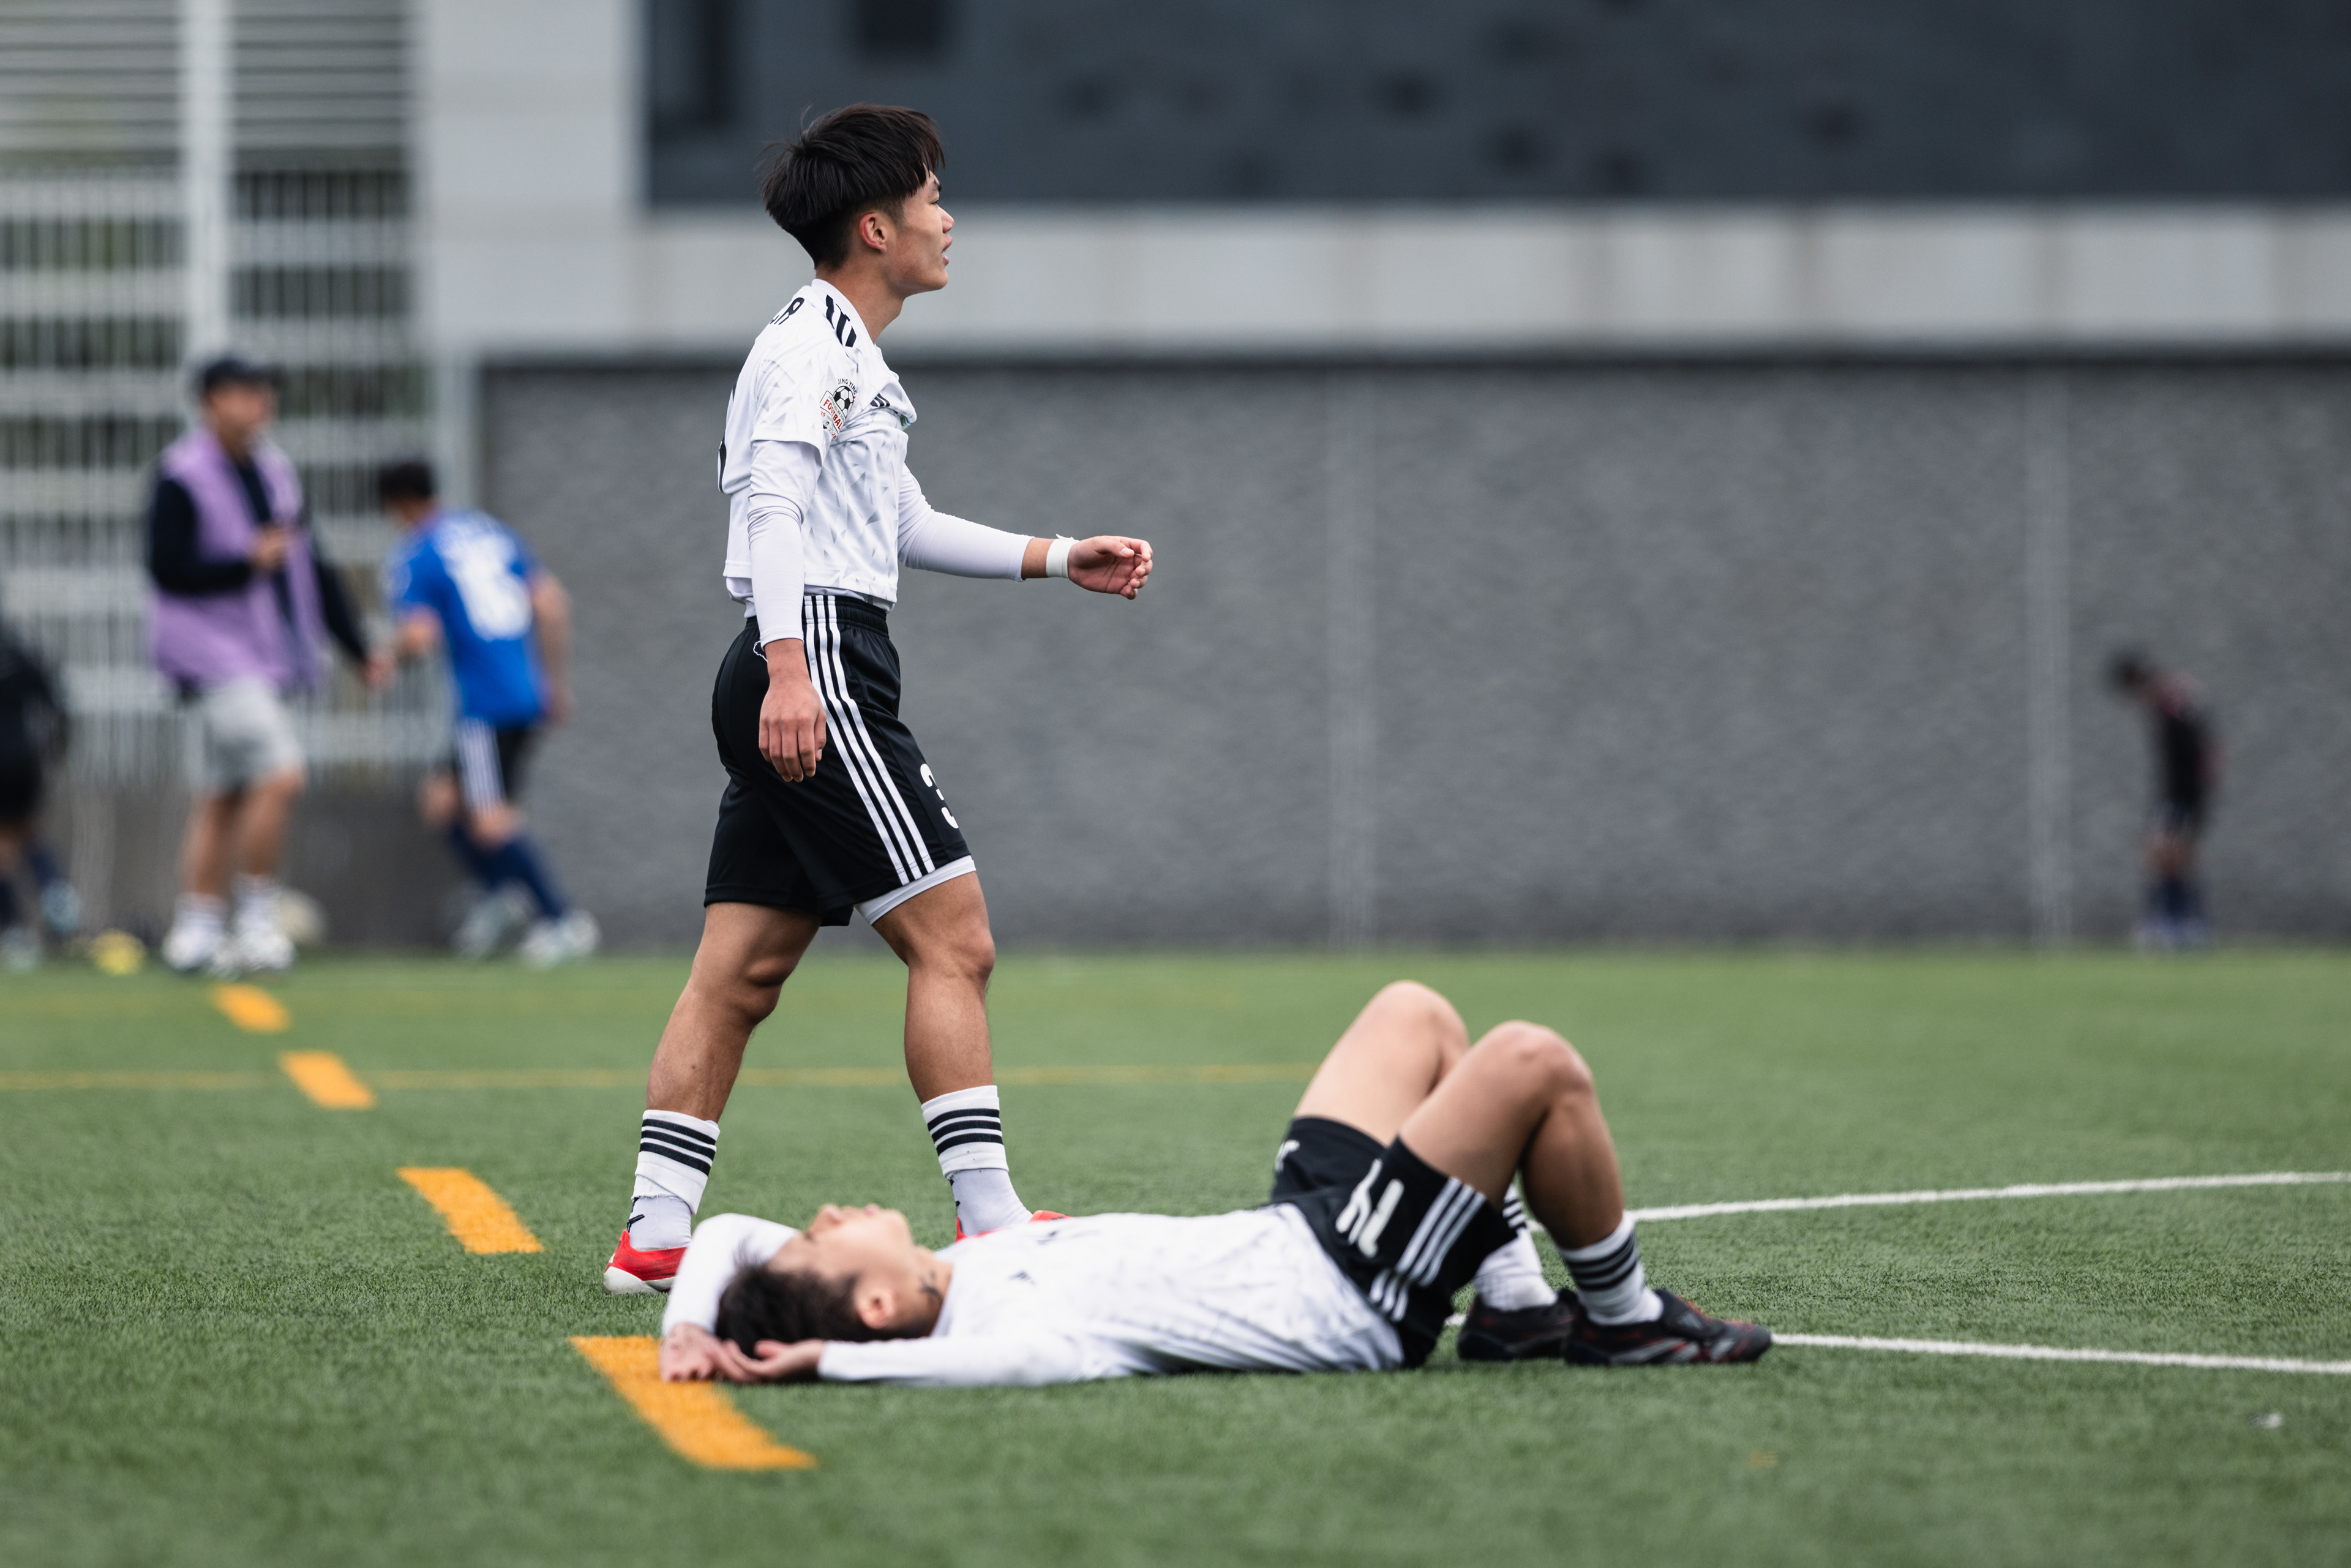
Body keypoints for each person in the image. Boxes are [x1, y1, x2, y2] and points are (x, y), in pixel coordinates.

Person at [603, 104, 1155, 1293]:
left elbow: (898, 521)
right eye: (933, 199)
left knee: (740, 969)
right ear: (874, 224)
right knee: (957, 939)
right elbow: (774, 511)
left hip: (796, 654)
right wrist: (800, 671)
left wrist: (1061, 554)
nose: (948, 219)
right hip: (818, 662)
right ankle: (992, 1217)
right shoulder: (811, 346)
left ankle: (655, 1235)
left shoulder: (847, 348)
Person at [655, 980, 1771, 1387]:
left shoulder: (964, 1266)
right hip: (1354, 1287)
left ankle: (1520, 1316)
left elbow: (732, 1233)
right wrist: (832, 1363)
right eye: (821, 1242)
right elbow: (1011, 1362)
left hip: (1306, 1228)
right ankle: (1624, 1322)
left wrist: (690, 1327)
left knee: (1413, 1014)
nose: (824, 1215)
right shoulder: (1010, 1321)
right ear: (878, 1308)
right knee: (1529, 1062)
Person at [148, 354, 386, 975]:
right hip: (210, 655)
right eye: (243, 392)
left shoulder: (277, 472)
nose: (258, 403)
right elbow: (165, 565)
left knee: (225, 792)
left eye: (262, 392)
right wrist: (246, 560)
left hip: (265, 655)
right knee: (281, 775)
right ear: (209, 403)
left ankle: (197, 927)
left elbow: (314, 564)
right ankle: (256, 919)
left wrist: (358, 648)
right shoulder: (181, 475)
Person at [378, 460, 597, 966]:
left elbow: (421, 633)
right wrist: (554, 682)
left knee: (490, 819)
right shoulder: (489, 533)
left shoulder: (419, 553)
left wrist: (385, 657)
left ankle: (561, 919)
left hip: (485, 703)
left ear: (398, 504)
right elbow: (552, 604)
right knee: (441, 801)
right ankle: (501, 895)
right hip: (524, 692)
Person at [2106, 651, 2220, 949]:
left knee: (2167, 853)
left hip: (2184, 791)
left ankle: (2179, 923)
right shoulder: (2172, 696)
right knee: (2167, 853)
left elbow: (2194, 747)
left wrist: (2186, 791)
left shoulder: (2168, 700)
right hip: (2185, 790)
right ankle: (2180, 922)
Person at [0, 622, 79, 970]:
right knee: (29, 830)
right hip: (24, 757)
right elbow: (53, 695)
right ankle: (57, 896)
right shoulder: (14, 647)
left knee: (4, 845)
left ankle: (14, 931)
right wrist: (57, 747)